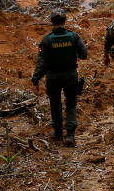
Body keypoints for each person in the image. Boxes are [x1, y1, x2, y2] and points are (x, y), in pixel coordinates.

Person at [31, 9, 88, 146]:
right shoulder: (74, 37)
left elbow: (41, 64)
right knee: (71, 103)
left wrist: (35, 80)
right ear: (65, 21)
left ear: (51, 22)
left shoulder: (46, 40)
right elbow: (84, 54)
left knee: (55, 104)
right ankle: (70, 135)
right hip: (70, 76)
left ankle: (57, 133)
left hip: (53, 77)